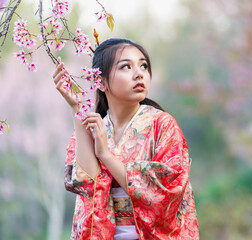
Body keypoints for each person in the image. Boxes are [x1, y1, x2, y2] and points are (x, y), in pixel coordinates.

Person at [52, 38, 200, 240]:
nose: (139, 73)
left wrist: (104, 154)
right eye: (126, 67)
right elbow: (88, 187)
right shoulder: (95, 127)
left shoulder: (162, 125)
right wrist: (76, 108)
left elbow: (166, 192)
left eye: (143, 66)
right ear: (101, 82)